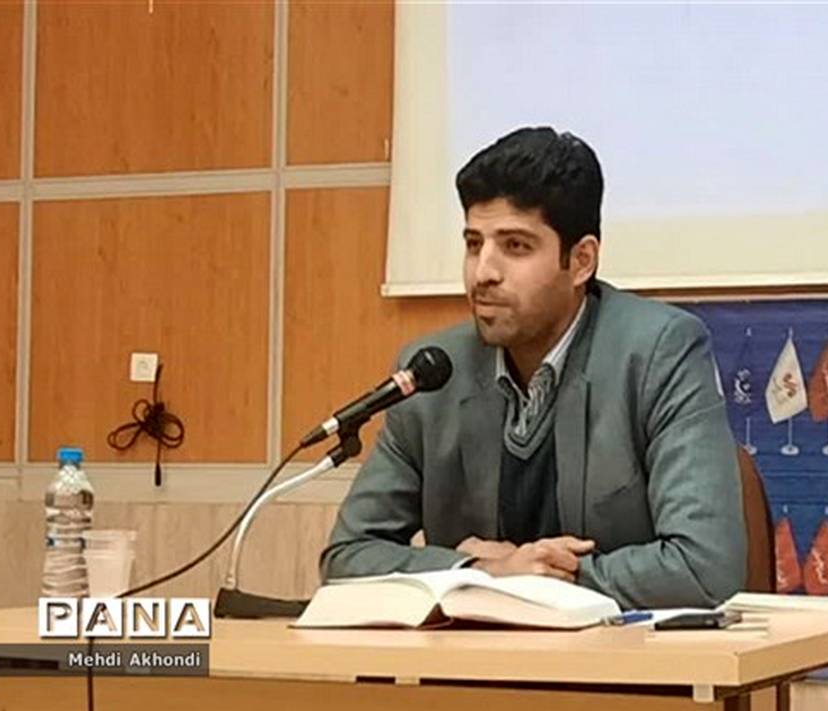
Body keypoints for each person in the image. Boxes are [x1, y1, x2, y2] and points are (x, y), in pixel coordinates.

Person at [320, 126, 747, 609]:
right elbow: (347, 558)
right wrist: (481, 571)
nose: (483, 272)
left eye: (516, 246)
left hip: (619, 653)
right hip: (474, 655)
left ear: (581, 261)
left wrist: (541, 578)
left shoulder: (657, 353)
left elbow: (706, 567)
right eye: (474, 244)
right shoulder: (433, 373)